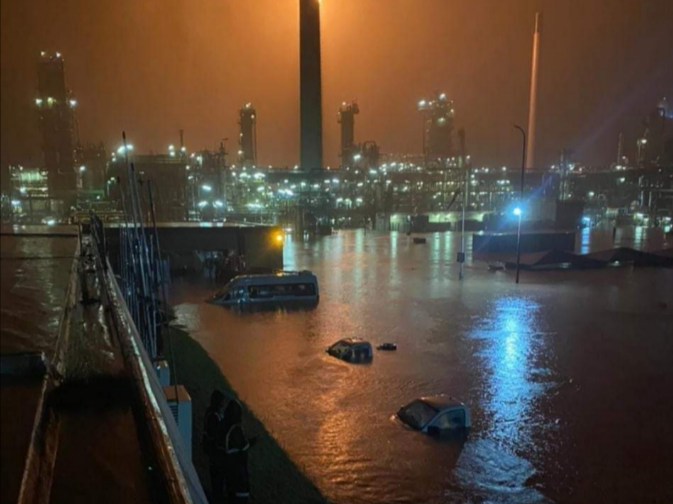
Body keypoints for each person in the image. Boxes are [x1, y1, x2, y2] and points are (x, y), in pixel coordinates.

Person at [223, 399, 257, 503]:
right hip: (238, 478)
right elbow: (243, 446)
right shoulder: (235, 430)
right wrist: (253, 441)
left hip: (232, 477)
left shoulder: (228, 428)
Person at [203, 390, 227, 503]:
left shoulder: (212, 413)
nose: (223, 405)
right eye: (222, 402)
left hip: (216, 457)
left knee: (217, 484)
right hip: (216, 457)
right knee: (218, 485)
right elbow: (217, 436)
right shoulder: (214, 417)